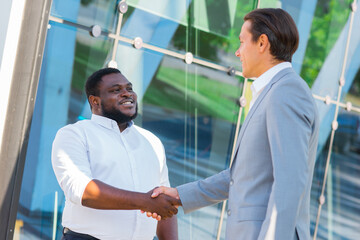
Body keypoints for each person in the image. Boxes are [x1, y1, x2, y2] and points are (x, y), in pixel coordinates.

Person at [149, 8, 319, 240]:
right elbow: (241, 176)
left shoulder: (286, 92)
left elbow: (290, 182)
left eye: (242, 42)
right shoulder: (272, 91)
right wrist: (179, 195)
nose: (238, 52)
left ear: (262, 43)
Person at [52, 68, 180, 240]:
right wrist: (144, 201)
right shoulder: (74, 134)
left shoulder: (152, 141)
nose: (127, 94)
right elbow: (82, 190)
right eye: (116, 90)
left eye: (129, 88)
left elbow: (164, 203)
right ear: (95, 101)